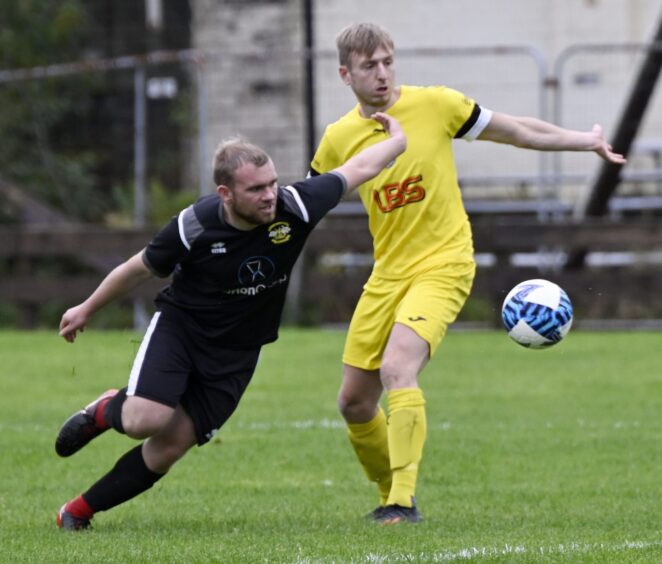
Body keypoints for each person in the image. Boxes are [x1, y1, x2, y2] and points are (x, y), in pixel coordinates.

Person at [309, 22, 627, 525]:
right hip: (387, 274)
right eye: (369, 66)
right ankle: (390, 489)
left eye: (389, 61)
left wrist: (583, 141)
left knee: (398, 370)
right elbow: (306, 205)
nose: (383, 74)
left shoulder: (436, 105)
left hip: (444, 264)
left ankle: (401, 504)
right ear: (346, 74)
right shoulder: (338, 138)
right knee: (353, 401)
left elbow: (517, 130)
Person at [54, 111, 406, 531]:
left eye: (272, 183)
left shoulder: (295, 207)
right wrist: (86, 308)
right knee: (143, 420)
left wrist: (398, 139)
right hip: (182, 331)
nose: (269, 195)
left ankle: (76, 512)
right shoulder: (193, 227)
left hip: (238, 351)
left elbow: (358, 168)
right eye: (255, 188)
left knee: (170, 445)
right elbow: (138, 268)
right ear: (226, 193)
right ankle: (106, 410)